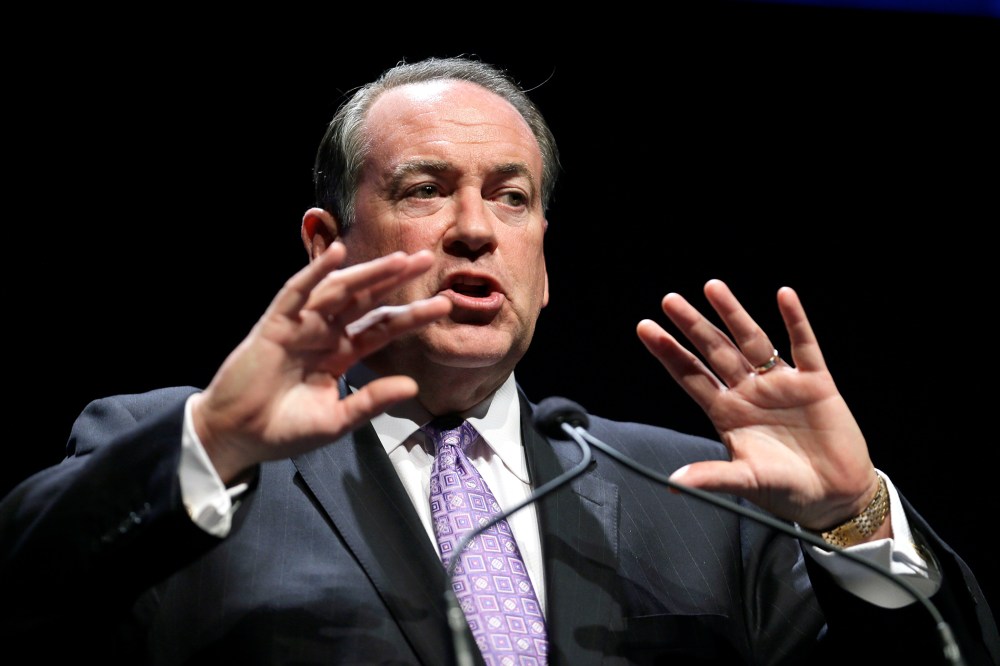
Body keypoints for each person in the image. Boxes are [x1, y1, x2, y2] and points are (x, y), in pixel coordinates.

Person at [1, 55, 996, 666]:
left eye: (512, 197)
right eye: (427, 189)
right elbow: (25, 595)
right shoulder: (195, 455)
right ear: (327, 244)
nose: (477, 229)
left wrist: (850, 517)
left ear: (545, 255)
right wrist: (216, 440)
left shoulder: (700, 492)